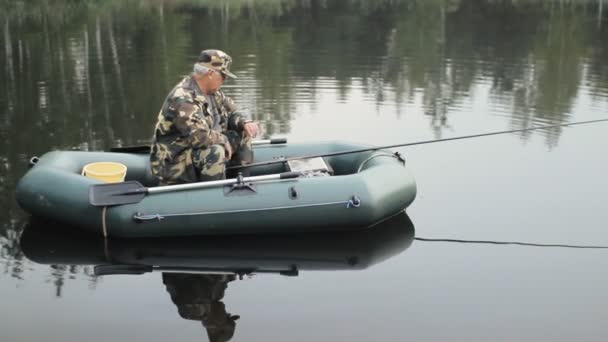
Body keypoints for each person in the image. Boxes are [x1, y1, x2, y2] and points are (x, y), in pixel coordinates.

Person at [150, 49, 259, 185]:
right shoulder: (183, 98)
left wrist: (245, 121)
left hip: (194, 152)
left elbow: (233, 111)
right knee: (215, 151)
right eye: (223, 76)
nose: (224, 81)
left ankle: (243, 184)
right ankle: (213, 196)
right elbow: (199, 137)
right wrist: (223, 139)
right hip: (174, 160)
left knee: (242, 132)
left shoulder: (214, 93)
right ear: (210, 74)